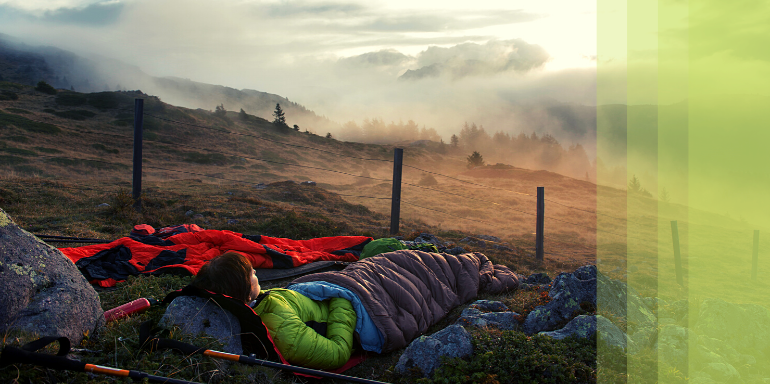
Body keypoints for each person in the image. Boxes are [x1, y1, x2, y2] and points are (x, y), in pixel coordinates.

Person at [191, 251, 356, 370]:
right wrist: (342, 300)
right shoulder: (281, 330)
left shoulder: (260, 302)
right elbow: (337, 354)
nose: (255, 272)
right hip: (349, 313)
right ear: (246, 294)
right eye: (251, 273)